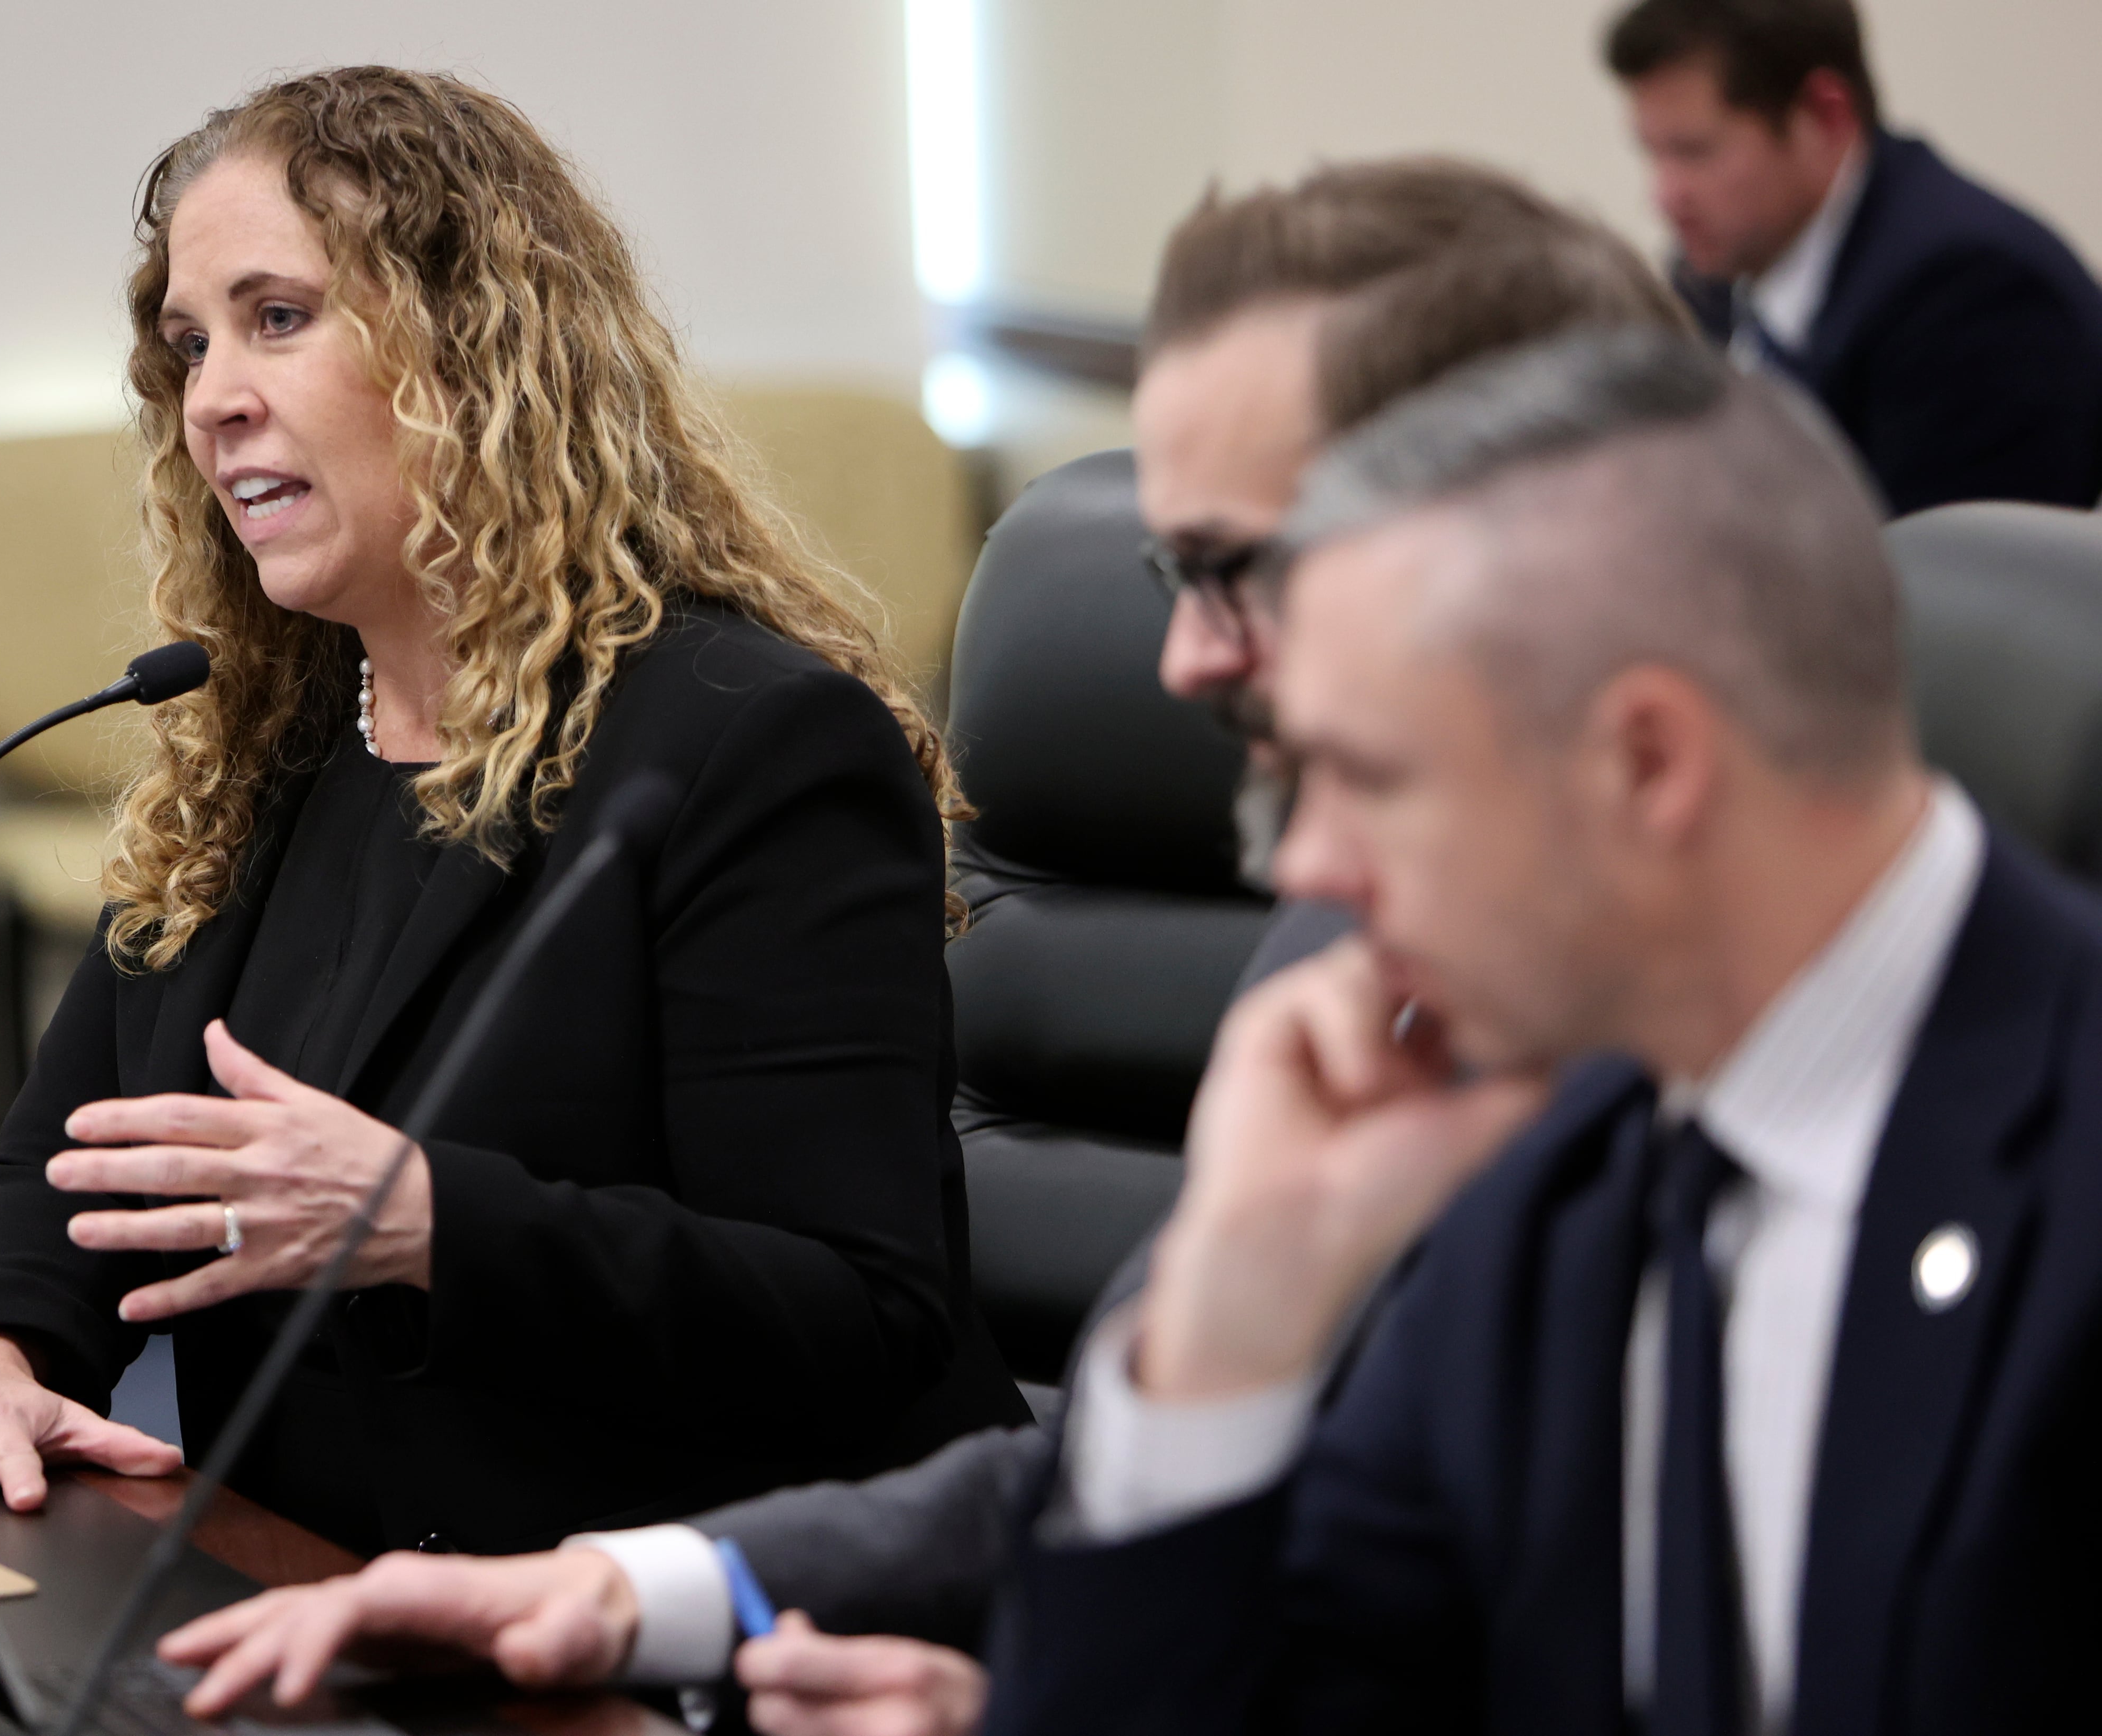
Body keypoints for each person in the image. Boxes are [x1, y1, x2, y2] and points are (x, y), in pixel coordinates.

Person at [151, 160, 1692, 1733]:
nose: (1178, 658)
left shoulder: (1852, 1143)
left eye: (1233, 567)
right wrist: (651, 1590)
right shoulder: (1363, 949)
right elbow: (1120, 1487)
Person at [0, 65, 1031, 1560]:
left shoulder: (751, 744)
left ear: (474, 349)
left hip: (691, 1617)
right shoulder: (266, 749)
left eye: (278, 319)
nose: (214, 395)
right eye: (188, 343)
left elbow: (854, 1313)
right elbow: (63, 1168)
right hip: (310, 1595)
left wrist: (426, 1218)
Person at [979, 326, 2102, 1735]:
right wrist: (1230, 1311)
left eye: (1363, 777)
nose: (1307, 867)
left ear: (1647, 763)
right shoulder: (1542, 1181)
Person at [1606, 0, 2102, 514]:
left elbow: (1945, 582)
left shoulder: (1975, 296)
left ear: (1826, 113)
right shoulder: (1715, 269)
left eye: (1693, 151)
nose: (1663, 197)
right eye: (1651, 152)